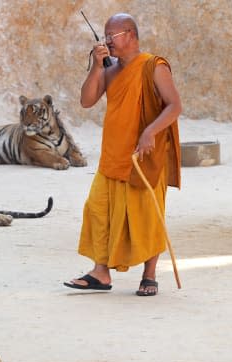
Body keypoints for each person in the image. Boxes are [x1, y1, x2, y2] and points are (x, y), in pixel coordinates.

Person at [64, 13, 182, 296]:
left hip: (143, 156)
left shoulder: (154, 66)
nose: (107, 41)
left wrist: (150, 132)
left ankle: (150, 275)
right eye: (105, 36)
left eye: (112, 36)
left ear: (130, 35)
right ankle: (100, 273)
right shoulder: (109, 69)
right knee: (98, 212)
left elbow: (174, 106)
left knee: (146, 216)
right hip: (112, 156)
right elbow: (86, 100)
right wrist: (95, 66)